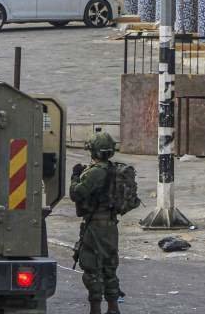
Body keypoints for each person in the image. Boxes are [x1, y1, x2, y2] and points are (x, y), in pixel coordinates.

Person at [70, 132, 122, 314]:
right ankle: (113, 307)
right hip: (110, 225)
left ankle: (95, 309)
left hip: (94, 226)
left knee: (92, 266)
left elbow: (76, 193)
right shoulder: (115, 170)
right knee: (109, 266)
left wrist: (75, 176)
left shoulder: (95, 173)